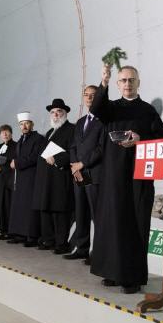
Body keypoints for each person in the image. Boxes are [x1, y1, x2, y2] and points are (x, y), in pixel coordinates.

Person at [89, 64, 163, 294]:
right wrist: (103, 81)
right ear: (117, 84)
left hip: (138, 176)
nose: (127, 83)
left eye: (131, 80)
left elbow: (162, 136)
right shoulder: (111, 108)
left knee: (136, 224)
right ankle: (112, 273)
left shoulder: (148, 110)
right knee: (112, 223)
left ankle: (132, 277)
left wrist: (140, 138)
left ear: (138, 82)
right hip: (113, 176)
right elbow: (95, 109)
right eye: (123, 80)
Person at [64, 85, 104, 263]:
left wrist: (83, 163)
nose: (89, 98)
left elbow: (101, 148)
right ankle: (82, 248)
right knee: (80, 212)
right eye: (86, 95)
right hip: (78, 174)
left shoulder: (104, 120)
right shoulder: (80, 122)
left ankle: (99, 253)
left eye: (93, 95)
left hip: (94, 174)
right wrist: (74, 165)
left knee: (97, 214)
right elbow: (73, 146)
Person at [32, 99, 76, 254]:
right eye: (53, 112)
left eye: (59, 111)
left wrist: (58, 159)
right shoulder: (49, 133)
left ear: (65, 113)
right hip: (46, 179)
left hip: (60, 177)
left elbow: (74, 152)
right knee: (47, 210)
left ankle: (61, 243)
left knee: (59, 212)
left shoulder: (72, 129)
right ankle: (49, 239)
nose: (56, 114)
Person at [7, 112, 45, 247]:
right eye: (21, 124)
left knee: (29, 207)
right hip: (21, 178)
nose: (24, 126)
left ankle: (32, 236)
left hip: (32, 177)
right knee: (20, 206)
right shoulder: (20, 141)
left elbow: (35, 157)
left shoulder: (39, 138)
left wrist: (17, 163)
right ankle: (20, 234)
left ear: (32, 124)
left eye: (26, 123)